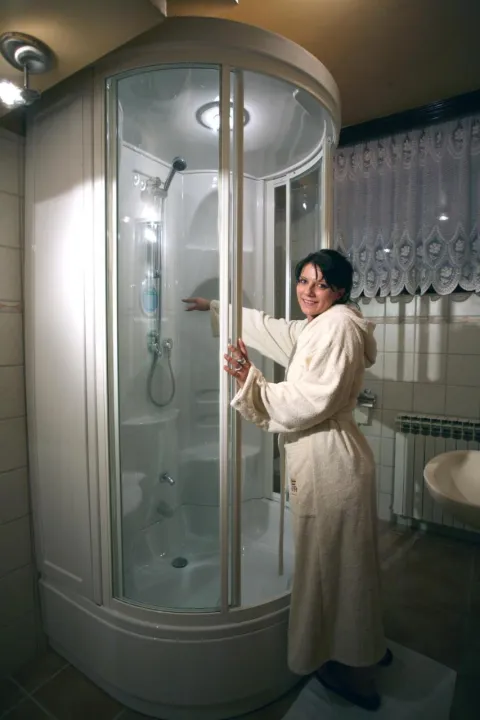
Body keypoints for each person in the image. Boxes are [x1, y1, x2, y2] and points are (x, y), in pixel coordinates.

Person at [183, 249, 389, 711]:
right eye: (303, 280)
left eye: (321, 284)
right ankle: (366, 650)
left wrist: (249, 379)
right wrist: (215, 307)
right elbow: (272, 328)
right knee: (347, 567)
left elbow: (308, 400)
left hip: (330, 465)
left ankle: (358, 676)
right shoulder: (321, 324)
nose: (308, 291)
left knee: (338, 572)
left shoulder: (337, 327)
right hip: (329, 463)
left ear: (340, 290)